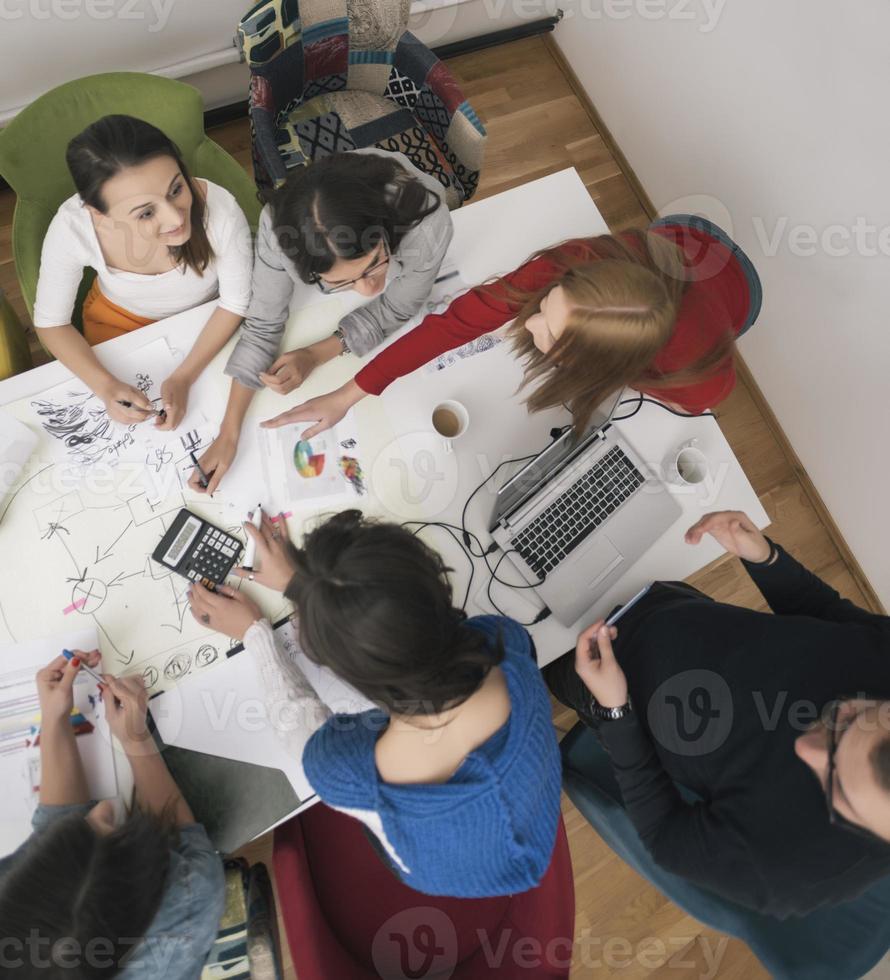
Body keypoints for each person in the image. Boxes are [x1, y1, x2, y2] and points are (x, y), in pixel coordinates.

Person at [186, 510, 563, 899]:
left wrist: (256, 634)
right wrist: (310, 590)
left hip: (438, 863)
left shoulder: (343, 771)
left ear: (345, 673)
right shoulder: (505, 644)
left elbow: (295, 720)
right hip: (528, 809)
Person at [545, 510, 890, 918]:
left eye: (837, 789)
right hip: (672, 605)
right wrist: (766, 559)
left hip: (608, 684)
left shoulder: (795, 875)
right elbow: (834, 619)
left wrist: (616, 712)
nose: (807, 748)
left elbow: (665, 837)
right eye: (844, 719)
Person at [261, 214, 762, 440]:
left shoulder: (697, 377)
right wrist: (348, 394)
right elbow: (452, 325)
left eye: (549, 332)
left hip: (738, 295)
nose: (530, 318)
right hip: (687, 236)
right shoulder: (576, 261)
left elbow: (688, 401)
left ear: (599, 366)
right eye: (548, 304)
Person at [189, 148, 454, 494]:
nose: (369, 289)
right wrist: (229, 433)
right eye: (341, 282)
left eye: (375, 261)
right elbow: (262, 324)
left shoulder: (428, 226)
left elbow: (396, 308)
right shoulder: (276, 228)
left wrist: (317, 353)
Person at [0, 651, 225, 977]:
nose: (104, 806)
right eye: (109, 826)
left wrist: (54, 717)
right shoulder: (184, 907)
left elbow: (55, 829)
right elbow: (182, 837)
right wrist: (135, 738)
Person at [33, 114, 252, 429]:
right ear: (99, 214)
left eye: (176, 189)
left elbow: (235, 303)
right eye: (146, 212)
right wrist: (105, 387)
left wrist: (184, 376)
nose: (176, 219)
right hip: (118, 323)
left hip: (210, 317)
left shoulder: (222, 211)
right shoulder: (72, 227)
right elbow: (52, 323)